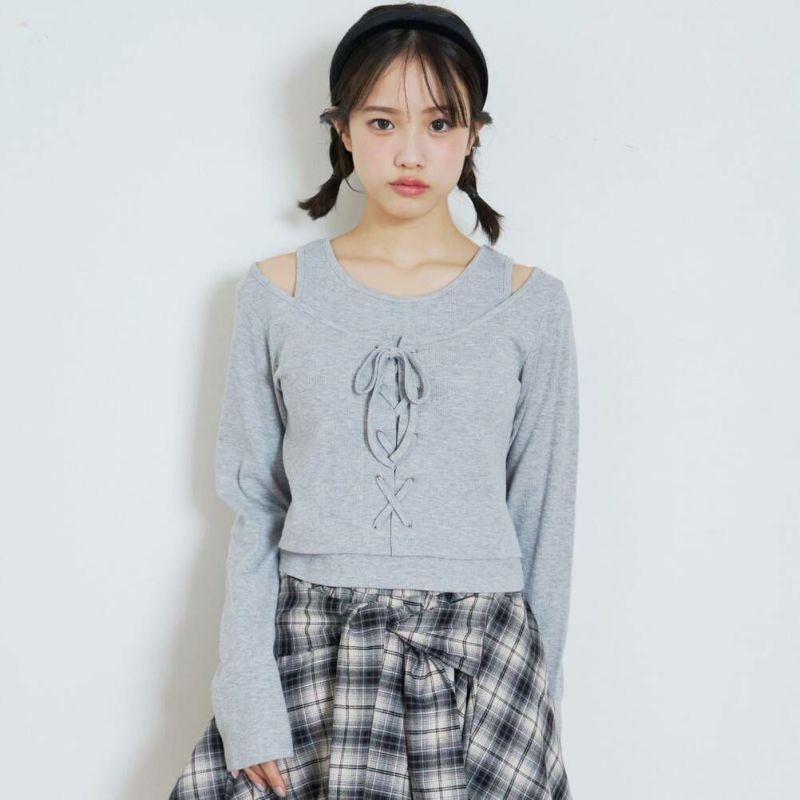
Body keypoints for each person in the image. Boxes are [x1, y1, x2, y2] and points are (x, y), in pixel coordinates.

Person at [169, 3, 580, 798]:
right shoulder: (276, 294)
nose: (411, 152)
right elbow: (254, 503)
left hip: (480, 658)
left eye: (440, 122)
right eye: (383, 122)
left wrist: (540, 705)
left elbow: (544, 519)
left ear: (474, 134)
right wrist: (247, 692)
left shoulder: (531, 305)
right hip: (310, 649)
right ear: (343, 130)